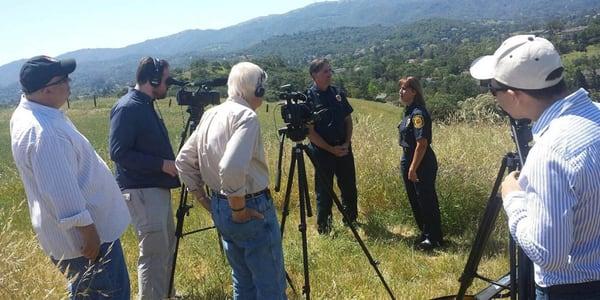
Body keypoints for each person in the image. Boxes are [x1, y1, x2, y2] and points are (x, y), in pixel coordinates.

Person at [470, 35, 600, 299]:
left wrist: (513, 197)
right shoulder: (595, 113)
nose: (493, 97)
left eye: (492, 89)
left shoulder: (551, 151)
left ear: (513, 95)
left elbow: (548, 254)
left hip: (572, 289)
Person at [10, 55, 131, 299]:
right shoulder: (46, 134)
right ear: (47, 90)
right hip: (87, 243)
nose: (69, 83)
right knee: (107, 293)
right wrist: (89, 235)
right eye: (64, 79)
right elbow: (61, 194)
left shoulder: (34, 114)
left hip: (78, 241)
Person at [176, 62, 287, 299]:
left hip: (220, 205)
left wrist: (206, 201)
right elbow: (231, 167)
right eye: (262, 87)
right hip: (249, 206)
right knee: (271, 286)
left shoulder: (210, 114)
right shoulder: (247, 117)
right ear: (256, 90)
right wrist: (239, 210)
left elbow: (183, 160)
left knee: (243, 281)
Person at [109, 57, 180, 299]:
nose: (168, 85)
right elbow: (118, 152)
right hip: (142, 192)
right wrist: (161, 164)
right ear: (153, 79)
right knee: (152, 255)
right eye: (167, 80)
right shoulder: (128, 107)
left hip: (154, 189)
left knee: (166, 248)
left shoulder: (145, 104)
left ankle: (166, 293)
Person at [306, 58, 358, 235]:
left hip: (343, 148)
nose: (329, 74)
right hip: (322, 152)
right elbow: (310, 132)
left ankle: (351, 219)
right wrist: (330, 149)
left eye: (330, 71)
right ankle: (325, 228)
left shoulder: (337, 93)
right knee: (324, 190)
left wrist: (346, 143)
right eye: (325, 71)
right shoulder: (308, 98)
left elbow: (348, 120)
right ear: (314, 75)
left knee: (349, 186)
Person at [397, 76, 443, 250]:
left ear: (414, 92)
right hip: (408, 157)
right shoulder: (408, 112)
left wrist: (413, 168)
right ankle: (425, 234)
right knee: (415, 199)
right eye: (400, 88)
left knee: (425, 199)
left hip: (421, 161)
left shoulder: (418, 114)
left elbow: (422, 143)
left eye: (405, 89)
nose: (401, 91)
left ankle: (434, 238)